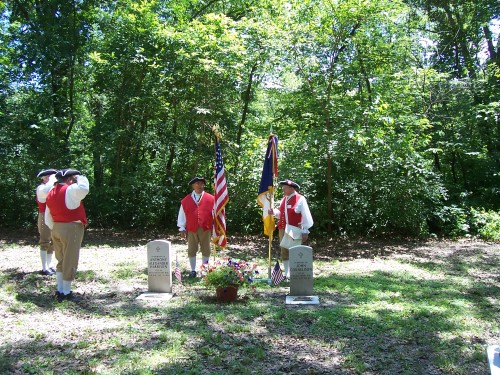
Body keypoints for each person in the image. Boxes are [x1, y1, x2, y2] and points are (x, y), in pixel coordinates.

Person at [45, 168, 89, 302]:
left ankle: (60, 289)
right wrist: (80, 177)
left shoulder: (50, 192)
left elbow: (48, 215)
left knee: (61, 260)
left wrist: (54, 228)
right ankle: (66, 292)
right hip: (71, 228)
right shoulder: (70, 190)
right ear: (70, 179)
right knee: (70, 259)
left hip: (56, 227)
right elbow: (84, 188)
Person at [269, 179, 313, 278]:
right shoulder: (284, 199)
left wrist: (305, 230)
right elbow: (281, 214)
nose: (283, 189)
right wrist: (274, 212)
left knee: (295, 251)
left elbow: (306, 216)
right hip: (283, 229)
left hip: (294, 230)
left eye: (285, 188)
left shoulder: (300, 199)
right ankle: (288, 274)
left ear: (291, 188)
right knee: (284, 250)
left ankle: (296, 273)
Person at [177, 177, 215, 278]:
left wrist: (216, 227)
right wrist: (181, 227)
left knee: (206, 248)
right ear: (193, 186)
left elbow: (215, 214)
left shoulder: (211, 199)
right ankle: (193, 270)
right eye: (197, 184)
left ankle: (204, 270)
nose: (199, 186)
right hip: (191, 228)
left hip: (205, 228)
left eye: (201, 184)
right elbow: (182, 214)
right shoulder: (186, 200)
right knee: (191, 249)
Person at [35, 168, 58, 275]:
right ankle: (44, 268)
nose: (48, 177)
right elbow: (46, 194)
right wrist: (53, 179)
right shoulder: (41, 188)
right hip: (44, 215)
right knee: (45, 241)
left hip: (53, 215)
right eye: (46, 176)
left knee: (52, 242)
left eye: (50, 176)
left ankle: (49, 265)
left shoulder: (52, 187)